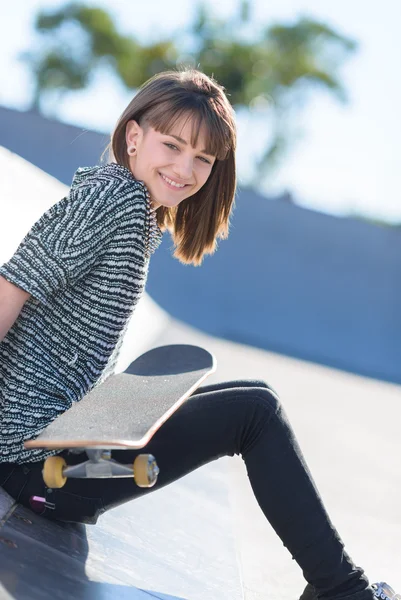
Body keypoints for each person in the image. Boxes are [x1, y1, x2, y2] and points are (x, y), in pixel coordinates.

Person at [0, 68, 397, 600]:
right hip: (41, 469)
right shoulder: (111, 203)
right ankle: (343, 591)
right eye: (173, 145)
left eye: (203, 159)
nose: (185, 169)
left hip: (57, 452)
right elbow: (8, 291)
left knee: (252, 405)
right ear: (133, 135)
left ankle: (340, 588)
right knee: (255, 411)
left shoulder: (134, 210)